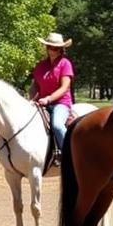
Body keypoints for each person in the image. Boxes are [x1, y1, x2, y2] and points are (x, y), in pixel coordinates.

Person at [30, 32, 75, 161]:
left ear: (61, 49)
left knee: (57, 125)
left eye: (55, 47)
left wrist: (48, 99)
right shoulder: (40, 65)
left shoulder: (65, 63)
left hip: (61, 103)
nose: (51, 50)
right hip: (42, 103)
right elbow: (34, 86)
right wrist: (32, 99)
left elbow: (64, 87)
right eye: (49, 46)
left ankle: (69, 156)